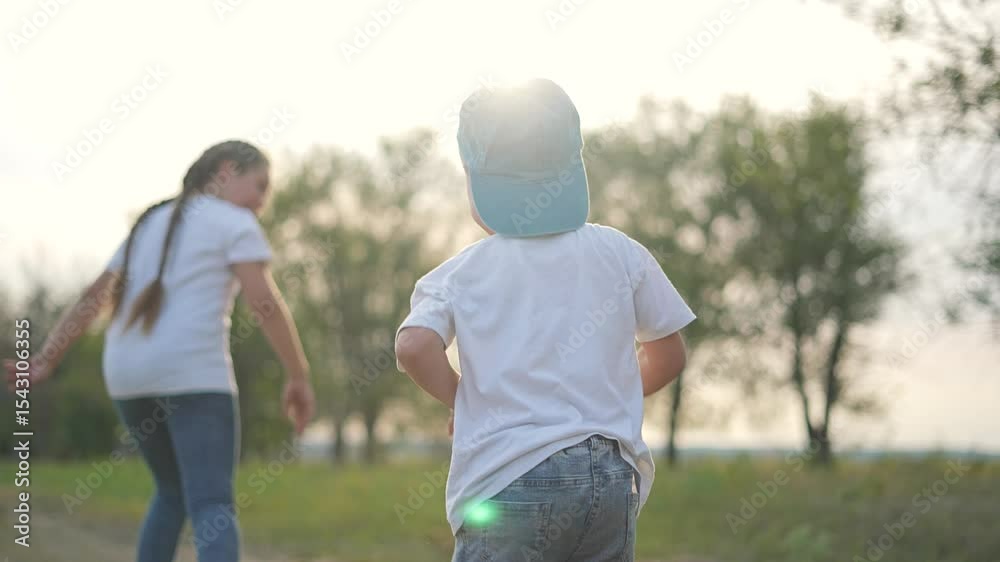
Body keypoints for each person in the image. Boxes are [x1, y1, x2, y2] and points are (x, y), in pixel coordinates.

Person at [395, 79, 695, 561]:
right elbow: (669, 353)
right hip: (610, 480)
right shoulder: (619, 253)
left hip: (510, 479)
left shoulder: (462, 273)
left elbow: (413, 346)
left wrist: (466, 400)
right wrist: (600, 397)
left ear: (473, 177)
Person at [4, 140, 315, 562]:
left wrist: (46, 360)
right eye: (260, 186)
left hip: (127, 376)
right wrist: (298, 375)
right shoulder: (233, 222)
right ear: (226, 170)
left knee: (171, 492)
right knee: (211, 501)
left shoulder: (150, 221)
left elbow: (93, 297)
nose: (262, 201)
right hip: (194, 375)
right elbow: (265, 304)